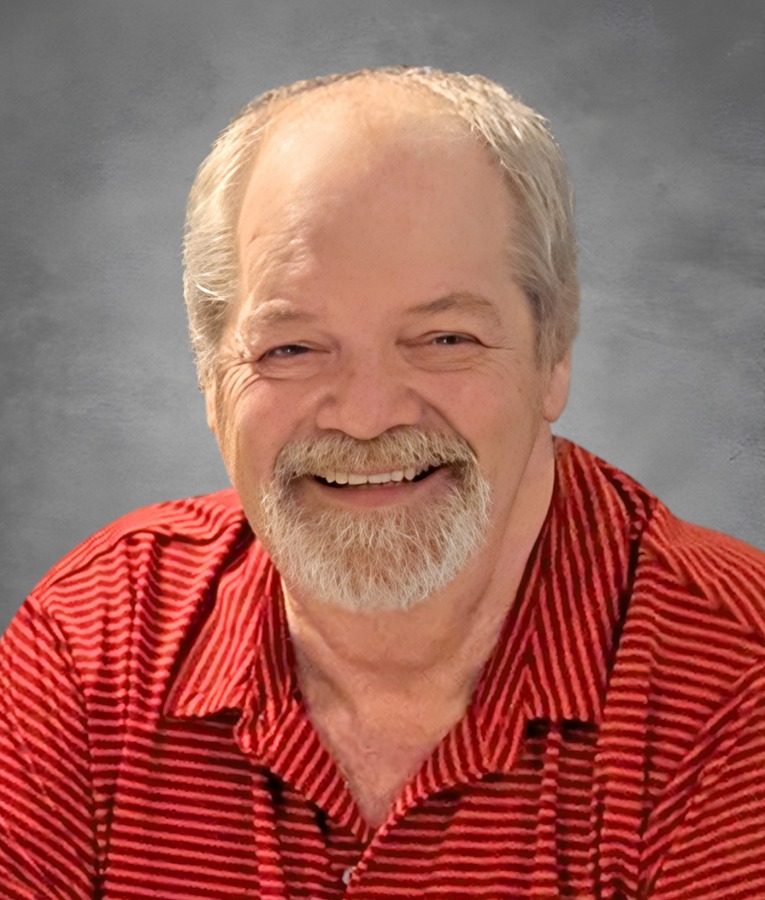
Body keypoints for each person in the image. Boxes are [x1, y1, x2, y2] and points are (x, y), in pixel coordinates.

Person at [0, 65, 763, 899]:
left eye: (443, 339)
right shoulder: (95, 641)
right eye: (292, 348)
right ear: (210, 380)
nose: (365, 418)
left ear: (553, 353)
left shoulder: (733, 677)